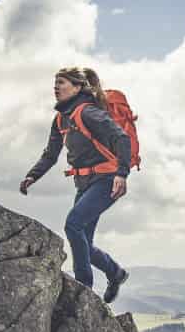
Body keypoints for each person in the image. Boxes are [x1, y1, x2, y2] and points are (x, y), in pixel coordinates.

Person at [20, 66, 132, 302]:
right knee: (83, 243)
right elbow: (51, 153)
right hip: (84, 183)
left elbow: (121, 138)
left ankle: (83, 288)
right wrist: (33, 175)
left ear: (78, 87)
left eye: (62, 83)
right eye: (55, 83)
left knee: (73, 225)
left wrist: (122, 174)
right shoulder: (61, 118)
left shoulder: (89, 113)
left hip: (107, 181)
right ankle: (115, 272)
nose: (56, 87)